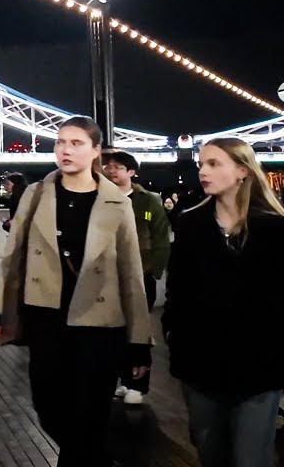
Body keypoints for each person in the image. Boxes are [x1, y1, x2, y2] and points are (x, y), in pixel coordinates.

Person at [0, 116, 151, 467]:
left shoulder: (117, 202)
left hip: (100, 323)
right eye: (61, 142)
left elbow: (131, 275)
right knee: (47, 406)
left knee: (89, 411)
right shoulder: (37, 193)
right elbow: (12, 256)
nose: (65, 149)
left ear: (95, 151)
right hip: (46, 317)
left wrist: (139, 343)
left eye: (76, 143)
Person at [162, 137, 284, 467]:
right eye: (202, 164)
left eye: (214, 164)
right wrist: (175, 337)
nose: (203, 171)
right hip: (201, 363)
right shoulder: (189, 224)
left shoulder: (275, 229)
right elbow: (177, 291)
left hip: (261, 364)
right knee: (210, 453)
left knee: (250, 459)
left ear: (242, 170)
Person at [101, 149, 171, 405]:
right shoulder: (99, 197)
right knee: (114, 332)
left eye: (118, 167)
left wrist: (154, 270)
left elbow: (162, 237)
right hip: (108, 276)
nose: (112, 171)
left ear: (132, 172)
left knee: (138, 331)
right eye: (109, 167)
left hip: (141, 275)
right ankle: (124, 378)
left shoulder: (148, 201)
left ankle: (138, 385)